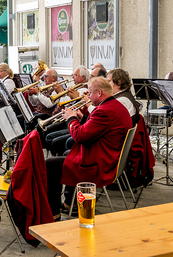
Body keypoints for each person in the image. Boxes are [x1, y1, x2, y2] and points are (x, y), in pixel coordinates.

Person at [45, 77, 132, 220]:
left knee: (49, 165)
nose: (88, 96)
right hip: (109, 158)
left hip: (100, 165)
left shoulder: (103, 111)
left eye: (90, 93)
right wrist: (83, 119)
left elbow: (80, 136)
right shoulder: (115, 106)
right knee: (68, 153)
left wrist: (71, 119)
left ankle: (53, 213)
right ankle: (70, 203)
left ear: (99, 93)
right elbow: (101, 129)